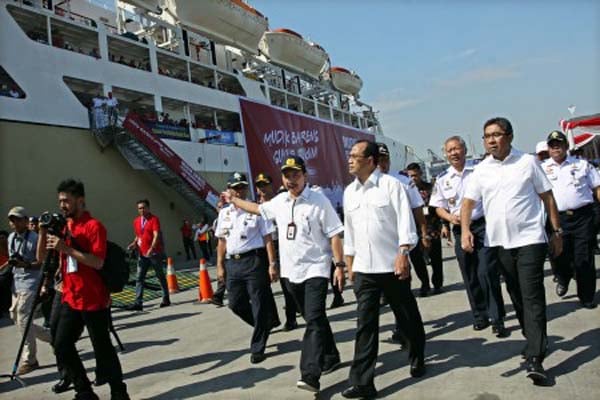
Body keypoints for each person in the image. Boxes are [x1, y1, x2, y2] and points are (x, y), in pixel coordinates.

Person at [221, 156, 344, 394]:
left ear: (305, 176)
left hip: (316, 268)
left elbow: (335, 234)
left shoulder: (319, 201)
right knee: (313, 318)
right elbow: (257, 209)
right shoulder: (279, 202)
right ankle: (331, 355)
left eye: (295, 175)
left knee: (315, 316)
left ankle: (310, 373)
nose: (291, 180)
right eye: (287, 175)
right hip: (292, 272)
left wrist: (339, 265)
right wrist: (234, 200)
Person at [461, 117, 563, 384]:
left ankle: (536, 357)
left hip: (530, 239)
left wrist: (556, 231)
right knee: (516, 294)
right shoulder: (481, 170)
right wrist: (464, 230)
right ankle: (535, 339)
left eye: (496, 134)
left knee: (532, 296)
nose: (491, 140)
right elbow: (468, 203)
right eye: (487, 136)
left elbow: (547, 197)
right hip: (500, 243)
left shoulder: (527, 162)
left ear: (510, 136)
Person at [341, 141, 426, 399]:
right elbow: (351, 231)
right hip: (365, 269)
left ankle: (417, 355)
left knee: (406, 315)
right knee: (365, 324)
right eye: (350, 156)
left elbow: (405, 223)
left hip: (391, 265)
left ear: (370, 160)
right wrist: (349, 264)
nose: (350, 160)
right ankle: (363, 382)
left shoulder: (392, 186)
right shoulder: (349, 192)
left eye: (355, 156)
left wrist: (403, 254)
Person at [43, 179, 130, 399]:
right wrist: (45, 232)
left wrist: (67, 249)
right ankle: (84, 391)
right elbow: (44, 258)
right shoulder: (64, 226)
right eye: (60, 201)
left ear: (80, 201)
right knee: (61, 344)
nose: (62, 205)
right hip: (71, 296)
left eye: (67, 201)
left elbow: (97, 262)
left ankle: (119, 391)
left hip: (94, 297)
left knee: (103, 348)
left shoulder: (94, 227)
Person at [429, 136, 507, 336]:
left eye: (457, 149)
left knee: (487, 271)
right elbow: (437, 206)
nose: (454, 153)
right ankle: (480, 316)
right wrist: (449, 217)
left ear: (464, 150)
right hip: (459, 229)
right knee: (470, 274)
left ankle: (497, 317)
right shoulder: (443, 179)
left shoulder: (479, 171)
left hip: (482, 226)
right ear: (445, 154)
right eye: (450, 150)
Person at [215, 172, 278, 363]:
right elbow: (221, 241)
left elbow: (268, 238)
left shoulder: (257, 210)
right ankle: (263, 325)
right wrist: (219, 265)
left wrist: (272, 263)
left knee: (258, 303)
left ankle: (258, 346)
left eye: (242, 187)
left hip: (254, 261)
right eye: (235, 188)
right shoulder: (224, 213)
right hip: (233, 263)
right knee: (235, 303)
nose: (239, 191)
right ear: (229, 190)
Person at [541, 130, 599, 308]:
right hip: (557, 219)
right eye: (552, 145)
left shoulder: (582, 165)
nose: (556, 148)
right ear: (548, 149)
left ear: (566, 146)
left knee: (584, 256)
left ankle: (587, 295)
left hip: (582, 216)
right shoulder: (542, 169)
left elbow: (597, 187)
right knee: (559, 255)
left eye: (559, 144)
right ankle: (563, 277)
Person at [5, 206, 45, 375]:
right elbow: (12, 258)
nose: (14, 223)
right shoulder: (11, 238)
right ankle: (53, 337)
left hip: (31, 282)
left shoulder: (35, 238)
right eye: (12, 219)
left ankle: (30, 359)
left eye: (18, 219)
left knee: (23, 317)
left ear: (25, 220)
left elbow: (40, 262)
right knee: (17, 318)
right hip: (17, 281)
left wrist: (26, 265)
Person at [255, 172, 297, 331]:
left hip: (280, 245)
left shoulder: (281, 202)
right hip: (263, 248)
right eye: (259, 186)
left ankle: (291, 318)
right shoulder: (256, 206)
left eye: (265, 185)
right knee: (262, 288)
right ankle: (270, 319)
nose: (262, 189)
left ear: (271, 185)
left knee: (287, 285)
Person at [406, 162, 444, 295]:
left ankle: (437, 284)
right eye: (410, 176)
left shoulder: (430, 188)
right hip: (414, 230)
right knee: (417, 260)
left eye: (415, 175)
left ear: (420, 174)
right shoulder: (406, 190)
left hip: (432, 227)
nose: (413, 179)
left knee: (436, 259)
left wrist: (444, 225)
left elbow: (440, 206)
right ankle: (425, 284)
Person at [126, 199, 170, 311]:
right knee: (139, 278)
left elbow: (156, 235)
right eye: (139, 208)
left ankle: (166, 298)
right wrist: (134, 243)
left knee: (160, 275)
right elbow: (138, 235)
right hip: (142, 254)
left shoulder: (154, 219)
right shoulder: (136, 221)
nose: (142, 210)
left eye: (144, 207)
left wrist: (152, 248)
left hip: (154, 254)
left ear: (148, 208)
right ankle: (138, 302)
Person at [0, 230, 11, 317]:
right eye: (0, 238)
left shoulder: (11, 247)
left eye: (3, 238)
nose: (2, 240)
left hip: (11, 271)